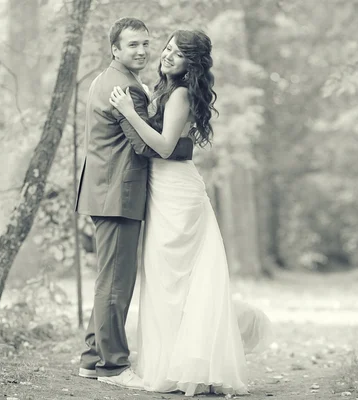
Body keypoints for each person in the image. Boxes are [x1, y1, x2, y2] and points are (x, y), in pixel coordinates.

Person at [109, 29, 271, 396]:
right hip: (164, 190)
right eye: (166, 48)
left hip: (177, 193)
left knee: (175, 278)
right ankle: (181, 362)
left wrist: (127, 112)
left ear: (191, 63)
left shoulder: (181, 93)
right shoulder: (167, 91)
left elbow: (165, 147)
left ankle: (190, 363)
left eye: (177, 53)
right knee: (170, 280)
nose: (166, 55)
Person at [74, 17, 194, 390]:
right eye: (132, 46)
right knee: (116, 282)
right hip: (118, 192)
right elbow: (147, 146)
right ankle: (112, 365)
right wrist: (187, 148)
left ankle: (93, 358)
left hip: (104, 189)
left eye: (145, 43)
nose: (142, 51)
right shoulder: (127, 90)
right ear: (115, 50)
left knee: (109, 278)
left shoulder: (105, 79)